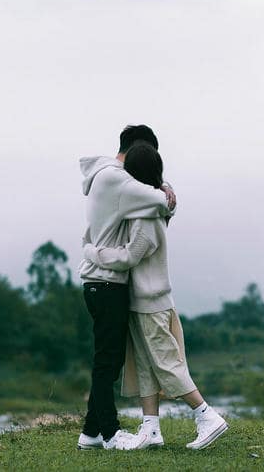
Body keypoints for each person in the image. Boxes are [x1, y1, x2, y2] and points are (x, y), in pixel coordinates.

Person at [83, 144, 228, 451]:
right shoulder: (149, 205)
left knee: (165, 362)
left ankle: (206, 415)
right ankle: (150, 428)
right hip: (141, 300)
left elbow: (130, 256)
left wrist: (92, 252)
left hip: (151, 301)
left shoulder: (145, 215)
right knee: (147, 366)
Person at [77, 125, 176, 450]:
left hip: (104, 281)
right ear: (138, 149)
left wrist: (164, 189)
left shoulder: (109, 177)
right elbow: (161, 201)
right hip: (106, 281)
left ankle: (90, 433)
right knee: (107, 361)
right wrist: (165, 189)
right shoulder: (116, 178)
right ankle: (109, 434)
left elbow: (158, 198)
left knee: (110, 360)